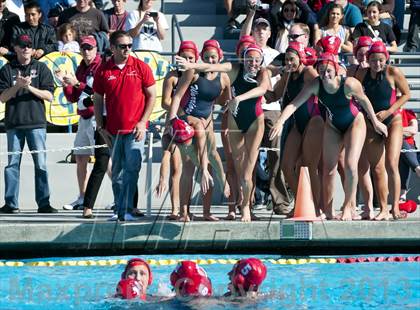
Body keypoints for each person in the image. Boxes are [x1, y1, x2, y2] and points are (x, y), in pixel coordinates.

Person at [270, 52, 388, 220]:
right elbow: (295, 104)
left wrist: (375, 122)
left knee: (350, 164)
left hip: (355, 123)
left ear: (337, 69)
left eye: (329, 71)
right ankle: (328, 210)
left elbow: (364, 100)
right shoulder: (315, 84)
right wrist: (281, 121)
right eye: (322, 70)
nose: (325, 75)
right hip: (333, 125)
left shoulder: (349, 83)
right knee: (328, 169)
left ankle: (349, 207)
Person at [177, 44, 270, 222]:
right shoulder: (234, 68)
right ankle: (238, 204)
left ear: (261, 61)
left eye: (257, 60)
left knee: (247, 173)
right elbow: (212, 66)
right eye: (249, 59)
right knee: (237, 167)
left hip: (255, 122)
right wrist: (192, 66)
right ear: (243, 59)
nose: (253, 63)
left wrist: (238, 98)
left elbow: (263, 89)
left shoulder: (263, 72)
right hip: (236, 120)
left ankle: (245, 209)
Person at [93, 30, 156, 221]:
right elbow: (97, 98)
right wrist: (100, 126)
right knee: (118, 171)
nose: (127, 49)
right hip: (113, 130)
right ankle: (119, 210)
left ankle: (127, 209)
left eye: (130, 45)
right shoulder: (103, 70)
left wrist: (143, 122)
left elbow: (152, 95)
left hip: (136, 129)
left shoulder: (140, 67)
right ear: (112, 48)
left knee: (132, 168)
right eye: (123, 46)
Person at [169, 40, 231, 221]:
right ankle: (184, 212)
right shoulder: (193, 72)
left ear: (219, 57)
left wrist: (228, 107)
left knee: (212, 160)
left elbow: (224, 102)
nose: (210, 60)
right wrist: (173, 119)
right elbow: (178, 95)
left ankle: (207, 210)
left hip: (207, 121)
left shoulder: (223, 76)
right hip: (188, 119)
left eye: (213, 57)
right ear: (201, 58)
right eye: (206, 57)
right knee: (188, 168)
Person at [0, 34, 57, 214]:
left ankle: (44, 203)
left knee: (41, 164)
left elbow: (50, 95)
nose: (26, 49)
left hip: (36, 123)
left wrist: (29, 87)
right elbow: (2, 97)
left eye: (29, 46)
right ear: (15, 48)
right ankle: (11, 203)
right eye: (22, 45)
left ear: (33, 49)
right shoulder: (7, 69)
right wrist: (18, 86)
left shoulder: (41, 67)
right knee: (12, 165)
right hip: (14, 124)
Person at [354, 41, 410, 220]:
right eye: (373, 60)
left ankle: (395, 208)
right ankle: (383, 209)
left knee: (392, 164)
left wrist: (388, 112)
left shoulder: (393, 72)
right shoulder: (362, 73)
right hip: (372, 124)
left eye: (380, 60)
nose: (376, 64)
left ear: (386, 59)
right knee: (377, 169)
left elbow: (407, 94)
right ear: (368, 60)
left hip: (393, 122)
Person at [266, 41, 323, 213]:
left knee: (307, 166)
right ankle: (302, 202)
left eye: (292, 59)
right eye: (286, 60)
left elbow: (325, 90)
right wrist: (263, 77)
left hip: (313, 123)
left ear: (301, 58)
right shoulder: (288, 75)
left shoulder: (308, 73)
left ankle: (317, 206)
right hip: (297, 124)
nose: (288, 63)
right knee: (286, 165)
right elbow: (273, 96)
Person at [56, 36, 101, 212]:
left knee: (104, 160)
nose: (87, 51)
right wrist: (64, 84)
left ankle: (119, 195)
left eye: (90, 48)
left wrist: (77, 83)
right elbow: (73, 97)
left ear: (96, 49)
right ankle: (82, 197)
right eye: (84, 48)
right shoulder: (81, 67)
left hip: (97, 118)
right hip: (83, 119)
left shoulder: (100, 67)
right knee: (81, 157)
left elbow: (98, 93)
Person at [399, 109, 420, 202]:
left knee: (403, 150)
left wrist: (395, 131)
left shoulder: (408, 112)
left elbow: (413, 130)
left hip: (410, 147)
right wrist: (404, 131)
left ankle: (402, 195)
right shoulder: (388, 112)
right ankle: (417, 168)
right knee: (399, 142)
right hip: (393, 146)